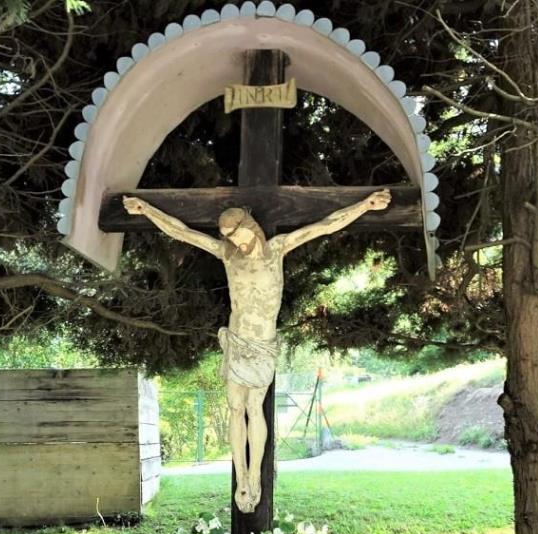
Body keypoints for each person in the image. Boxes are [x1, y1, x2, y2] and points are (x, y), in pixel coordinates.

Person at [123, 189, 392, 512]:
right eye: (229, 237)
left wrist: (366, 205)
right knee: (235, 408)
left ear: (251, 227)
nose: (236, 243)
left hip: (262, 344)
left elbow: (325, 225)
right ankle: (241, 478)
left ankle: (255, 477)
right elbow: (183, 232)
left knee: (255, 406)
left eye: (238, 235)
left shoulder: (276, 249)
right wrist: (146, 209)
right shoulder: (227, 255)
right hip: (237, 341)